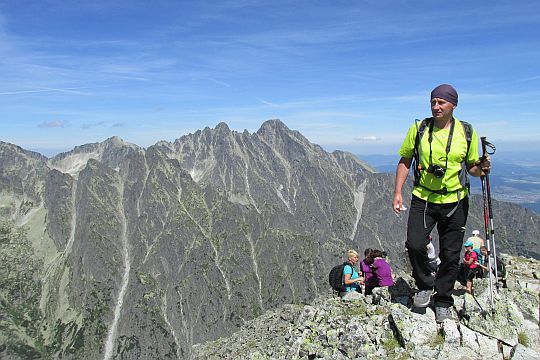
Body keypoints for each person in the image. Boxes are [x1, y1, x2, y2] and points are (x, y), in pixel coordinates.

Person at [392, 84, 491, 323]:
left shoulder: (466, 132)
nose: (436, 106)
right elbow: (405, 160)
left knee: (450, 253)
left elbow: (472, 168)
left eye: (441, 103)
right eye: (433, 102)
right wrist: (397, 192)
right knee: (415, 244)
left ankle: (444, 299)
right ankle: (426, 285)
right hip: (423, 198)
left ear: (453, 105)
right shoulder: (418, 129)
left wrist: (482, 168)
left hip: (455, 200)